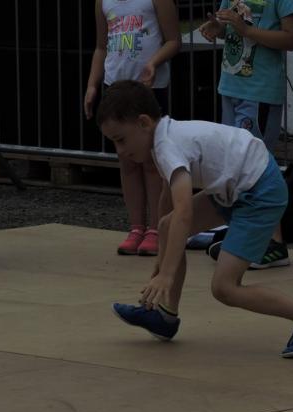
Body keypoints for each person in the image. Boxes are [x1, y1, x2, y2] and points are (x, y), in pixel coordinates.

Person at [97, 81, 293, 358]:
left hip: (259, 192)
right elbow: (168, 201)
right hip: (237, 184)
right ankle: (165, 316)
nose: (119, 150)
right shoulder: (162, 137)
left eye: (121, 140)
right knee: (166, 227)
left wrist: (166, 273)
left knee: (225, 288)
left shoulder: (167, 146)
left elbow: (184, 213)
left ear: (143, 123)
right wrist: (164, 252)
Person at [199, 0, 293, 269]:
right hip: (231, 88)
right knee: (235, 166)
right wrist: (219, 29)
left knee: (256, 164)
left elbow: (291, 39)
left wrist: (246, 30)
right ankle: (247, 236)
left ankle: (274, 242)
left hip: (259, 92)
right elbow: (231, 28)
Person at [84, 0, 181, 256]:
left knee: (152, 161)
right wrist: (92, 85)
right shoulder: (103, 2)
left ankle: (156, 228)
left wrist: (154, 62)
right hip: (115, 87)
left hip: (149, 88)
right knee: (127, 160)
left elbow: (173, 40)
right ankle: (136, 227)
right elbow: (101, 46)